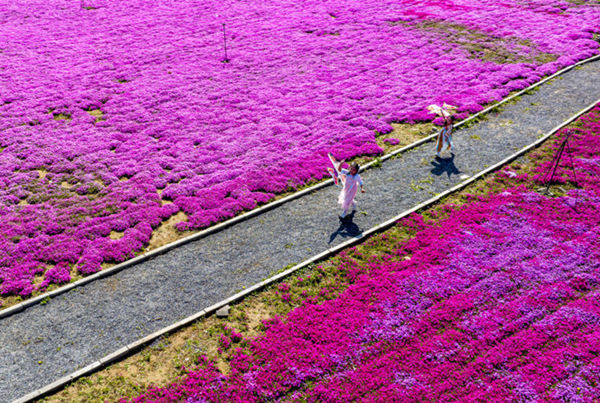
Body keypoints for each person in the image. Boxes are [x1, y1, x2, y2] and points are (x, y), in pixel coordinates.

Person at [328, 153, 365, 219]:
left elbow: (360, 182)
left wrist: (362, 188)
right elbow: (339, 170)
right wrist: (341, 164)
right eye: (351, 168)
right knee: (348, 198)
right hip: (346, 188)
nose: (352, 170)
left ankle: (344, 212)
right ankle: (354, 206)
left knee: (347, 200)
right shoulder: (347, 172)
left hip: (352, 189)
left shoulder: (356, 176)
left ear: (356, 171)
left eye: (354, 169)